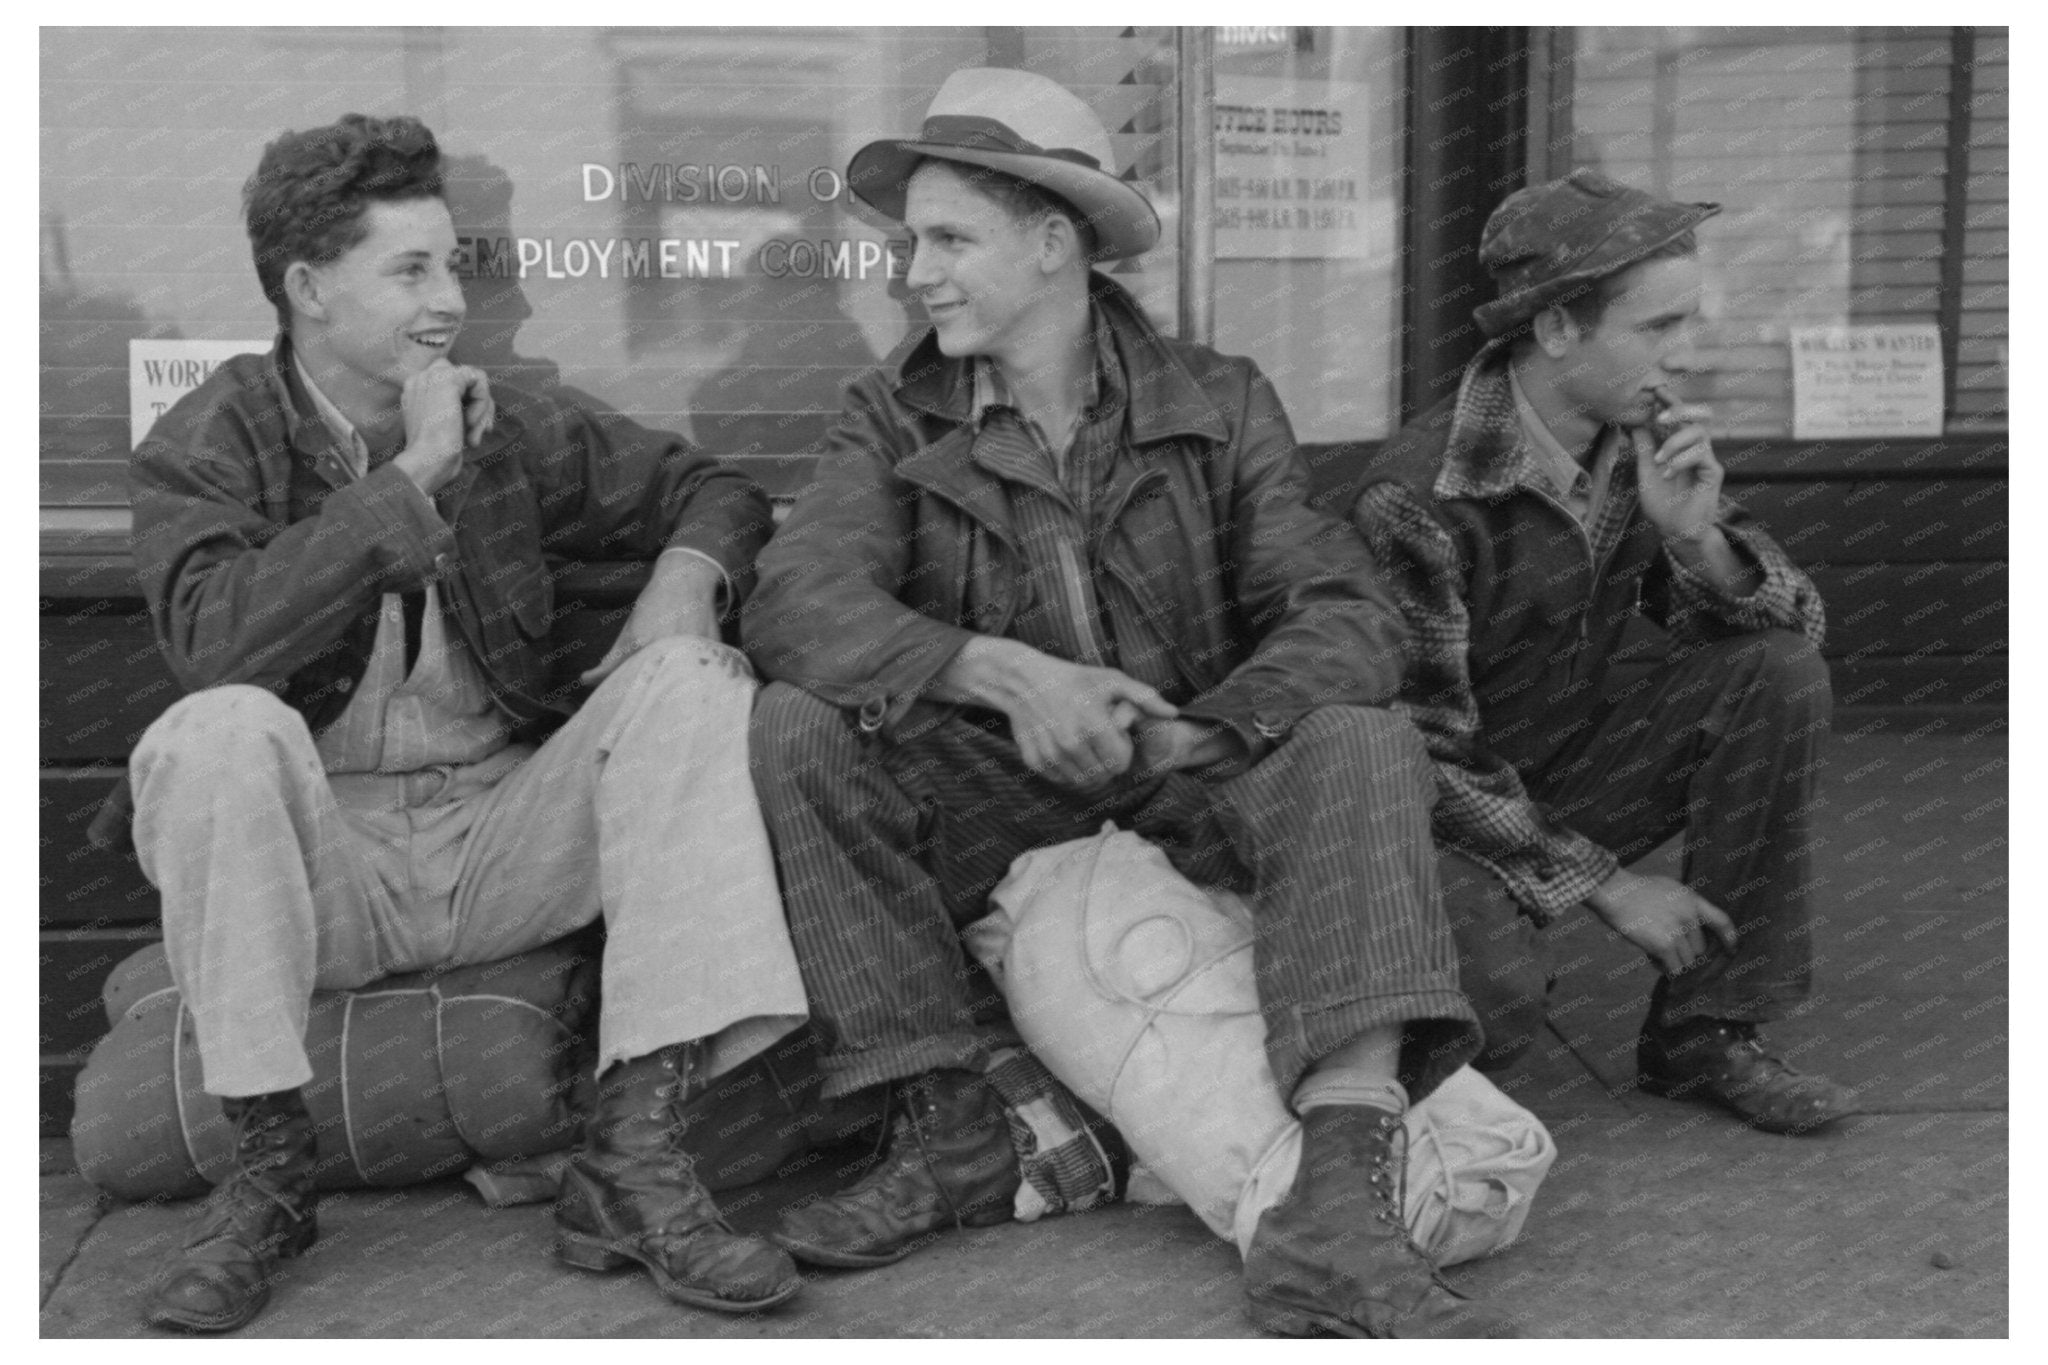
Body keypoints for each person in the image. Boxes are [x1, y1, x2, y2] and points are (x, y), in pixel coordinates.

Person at [743, 69, 1518, 1339]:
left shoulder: (1220, 400)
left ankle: (1336, 1211)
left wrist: (1202, 729)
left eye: (949, 240)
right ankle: (946, 1128)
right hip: (1001, 798)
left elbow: (1345, 613)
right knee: (801, 723)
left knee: (1358, 735)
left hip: (1195, 786)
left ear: (1052, 242)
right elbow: (795, 599)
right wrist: (999, 673)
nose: (914, 274)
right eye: (911, 243)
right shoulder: (889, 415)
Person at [124, 113, 809, 1332]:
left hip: (498, 842)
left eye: (453, 266)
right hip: (324, 876)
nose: (449, 300)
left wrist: (683, 578)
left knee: (695, 680)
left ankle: (634, 1160)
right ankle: (268, 1177)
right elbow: (216, 643)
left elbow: (712, 488)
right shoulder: (210, 438)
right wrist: (411, 479)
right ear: (307, 289)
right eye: (410, 271)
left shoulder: (514, 423)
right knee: (213, 733)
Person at [1342, 168, 1856, 1133]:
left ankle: (1706, 1029)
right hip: (1422, 821)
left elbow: (1801, 628)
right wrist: (1611, 886)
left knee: (1776, 670)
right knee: (1492, 1009)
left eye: (1685, 322)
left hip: (1555, 770)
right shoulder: (1418, 495)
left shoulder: (1635, 442)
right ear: (1555, 328)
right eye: (1657, 327)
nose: (1682, 352)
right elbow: (1422, 752)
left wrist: (1696, 540)